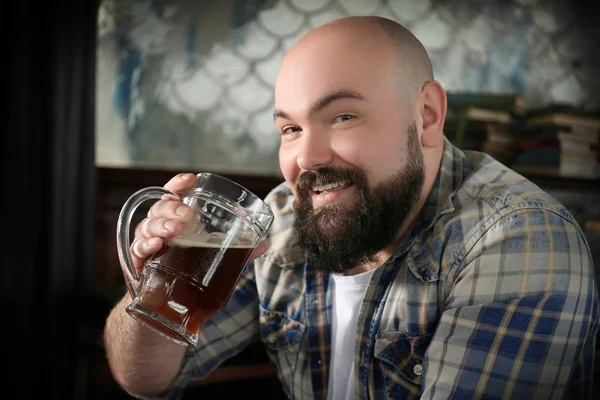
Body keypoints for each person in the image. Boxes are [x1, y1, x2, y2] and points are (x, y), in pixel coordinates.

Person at [103, 16, 599, 400]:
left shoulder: (517, 238)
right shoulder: (279, 220)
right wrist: (150, 291)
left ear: (427, 116)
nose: (307, 158)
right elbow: (144, 378)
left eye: (343, 116)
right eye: (291, 129)